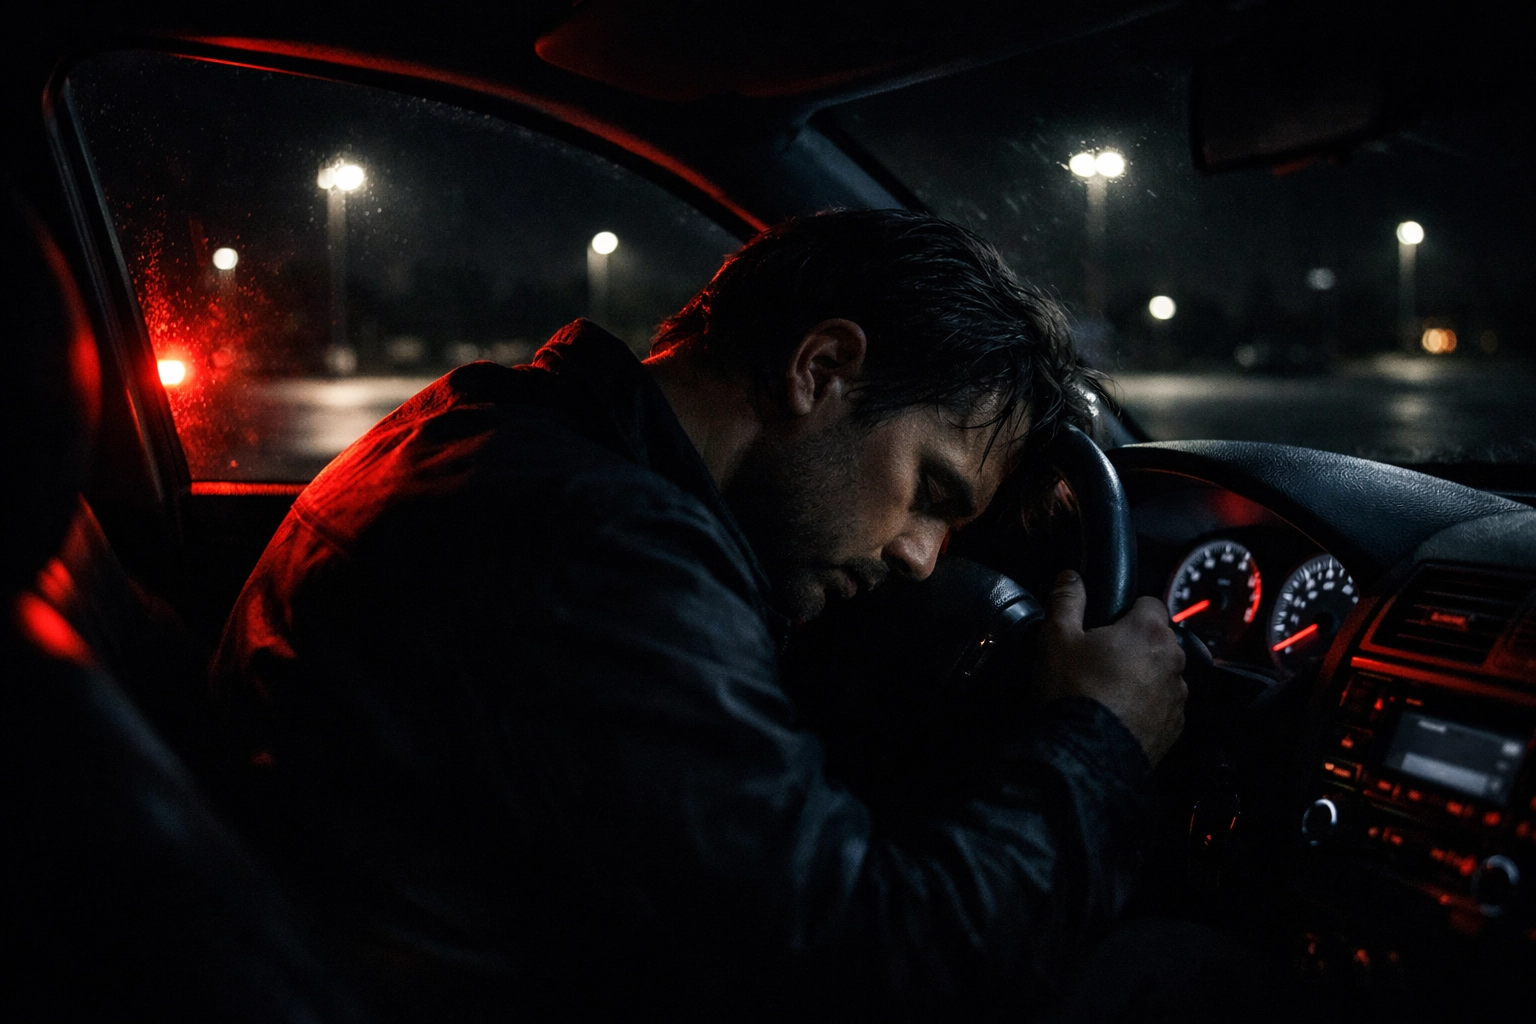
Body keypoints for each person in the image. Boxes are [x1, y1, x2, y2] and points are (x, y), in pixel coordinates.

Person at [211, 209, 1186, 1021]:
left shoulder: (482, 428)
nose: (921, 558)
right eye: (930, 491)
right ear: (820, 367)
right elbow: (861, 968)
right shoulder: (606, 550)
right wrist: (1097, 739)